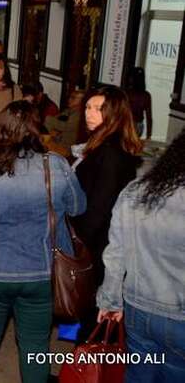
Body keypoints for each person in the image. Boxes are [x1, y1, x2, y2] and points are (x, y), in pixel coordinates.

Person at [0, 100, 87, 383]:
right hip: (42, 271)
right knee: (36, 344)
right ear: (36, 130)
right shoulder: (57, 166)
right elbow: (77, 207)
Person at [97, 129, 185, 383]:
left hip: (138, 310)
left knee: (137, 375)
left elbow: (116, 254)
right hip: (180, 318)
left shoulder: (137, 191)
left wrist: (110, 302)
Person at [72, 85, 142, 340]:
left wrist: (77, 247)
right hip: (98, 245)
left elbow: (99, 210)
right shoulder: (102, 144)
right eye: (88, 107)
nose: (90, 114)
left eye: (99, 109)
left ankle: (83, 374)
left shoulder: (110, 152)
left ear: (114, 114)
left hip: (99, 248)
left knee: (94, 319)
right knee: (88, 315)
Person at [44, 88, 84, 154]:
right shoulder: (68, 111)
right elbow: (57, 119)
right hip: (57, 141)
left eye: (73, 98)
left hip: (66, 148)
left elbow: (66, 126)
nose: (69, 100)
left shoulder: (79, 115)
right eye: (70, 97)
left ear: (82, 101)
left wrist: (49, 119)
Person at [127, 66, 153, 139]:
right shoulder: (146, 95)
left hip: (128, 124)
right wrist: (149, 135)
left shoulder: (128, 93)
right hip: (139, 126)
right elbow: (149, 117)